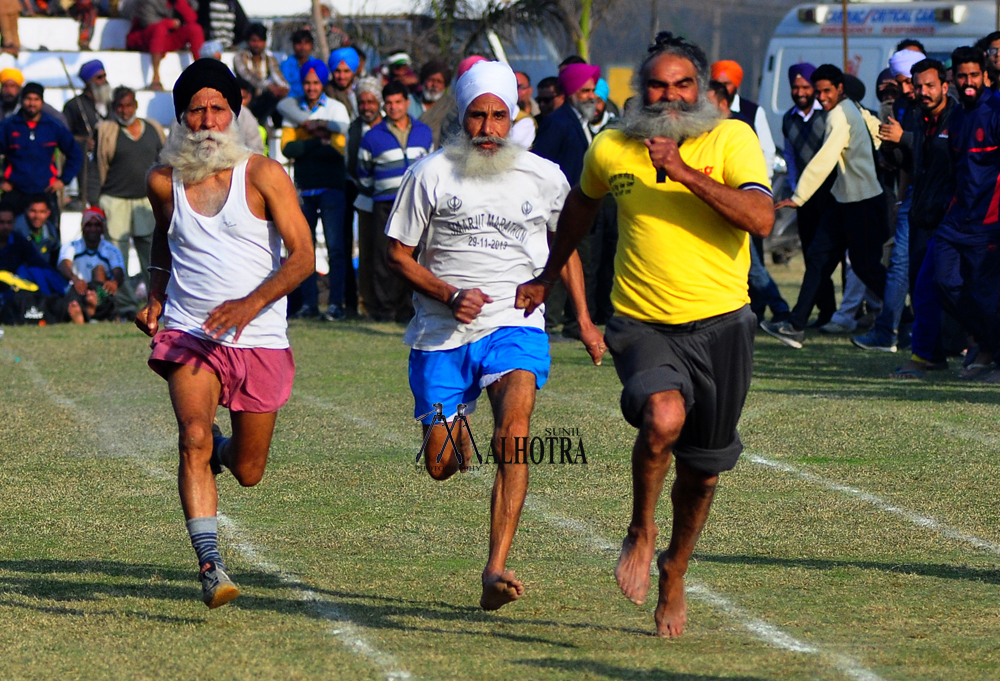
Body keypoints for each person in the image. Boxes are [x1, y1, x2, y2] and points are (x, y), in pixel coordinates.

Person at [516, 31, 773, 637]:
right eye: (656, 85)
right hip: (642, 320)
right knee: (661, 419)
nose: (669, 97)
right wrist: (546, 277)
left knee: (704, 472)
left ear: (705, 90)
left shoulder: (731, 138)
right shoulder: (611, 148)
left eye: (682, 85)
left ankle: (676, 568)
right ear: (637, 91)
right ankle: (640, 526)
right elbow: (580, 208)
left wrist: (683, 171)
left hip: (723, 325)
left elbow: (760, 216)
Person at [386, 60, 604, 611]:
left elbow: (564, 247)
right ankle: (454, 435)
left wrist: (580, 317)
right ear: (462, 118)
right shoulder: (430, 174)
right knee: (441, 464)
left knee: (515, 432)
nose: (488, 129)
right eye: (477, 116)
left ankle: (495, 565)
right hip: (442, 333)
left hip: (515, 324)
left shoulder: (544, 175)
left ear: (514, 117)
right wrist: (447, 293)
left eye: (498, 116)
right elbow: (397, 254)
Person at [134, 58, 314, 608]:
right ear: (182, 119)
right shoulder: (163, 182)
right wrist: (157, 297)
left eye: (218, 108)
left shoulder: (262, 174)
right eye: (196, 110)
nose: (208, 120)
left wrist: (249, 304)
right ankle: (210, 564)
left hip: (259, 337)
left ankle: (222, 449)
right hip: (190, 333)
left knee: (250, 469)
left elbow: (303, 256)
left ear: (233, 114)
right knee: (193, 434)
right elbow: (164, 242)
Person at [765, 64, 887, 348]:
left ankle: (904, 319)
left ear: (840, 89)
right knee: (818, 258)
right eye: (818, 91)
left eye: (826, 91)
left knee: (866, 266)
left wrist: (798, 196)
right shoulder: (850, 109)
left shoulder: (839, 115)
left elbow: (825, 158)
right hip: (844, 199)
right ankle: (795, 325)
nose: (821, 96)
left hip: (861, 201)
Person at [927, 47, 1000, 379]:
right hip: (956, 221)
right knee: (943, 282)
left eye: (974, 75)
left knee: (986, 294)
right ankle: (986, 342)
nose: (968, 82)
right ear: (952, 79)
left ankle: (989, 352)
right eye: (961, 75)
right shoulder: (955, 117)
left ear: (985, 76)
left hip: (989, 223)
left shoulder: (996, 111)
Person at [882, 59, 958, 378]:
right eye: (918, 85)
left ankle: (925, 355)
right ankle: (934, 355)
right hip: (919, 214)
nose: (923, 91)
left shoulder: (958, 119)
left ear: (944, 85)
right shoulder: (917, 115)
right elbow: (911, 164)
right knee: (919, 285)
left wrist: (904, 139)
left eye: (930, 85)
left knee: (936, 287)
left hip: (950, 218)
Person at [533, 62, 601, 338]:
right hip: (560, 209)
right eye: (585, 90)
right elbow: (543, 165)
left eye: (593, 90)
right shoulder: (557, 122)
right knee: (561, 263)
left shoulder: (579, 122)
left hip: (580, 206)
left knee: (584, 264)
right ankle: (551, 323)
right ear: (572, 91)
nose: (591, 96)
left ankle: (575, 324)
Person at [280, 57, 351, 321]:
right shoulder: (294, 111)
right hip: (304, 189)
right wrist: (317, 139)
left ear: (323, 84)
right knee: (303, 248)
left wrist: (310, 136)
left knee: (335, 248)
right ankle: (309, 304)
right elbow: (288, 148)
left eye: (315, 83)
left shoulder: (336, 110)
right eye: (307, 83)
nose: (311, 88)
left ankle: (336, 305)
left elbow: (339, 150)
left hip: (331, 187)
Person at [356, 81, 432, 322]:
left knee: (416, 255)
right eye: (389, 103)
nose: (394, 107)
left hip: (417, 205)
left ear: (407, 103)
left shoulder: (424, 131)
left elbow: (430, 165)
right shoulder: (372, 136)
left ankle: (410, 309)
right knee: (383, 256)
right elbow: (363, 172)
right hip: (385, 204)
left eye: (398, 102)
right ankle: (385, 310)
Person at [780, 62, 838, 330]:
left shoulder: (827, 115)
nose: (801, 92)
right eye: (796, 87)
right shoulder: (788, 119)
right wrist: (795, 187)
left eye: (806, 87)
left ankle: (852, 313)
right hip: (804, 198)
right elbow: (791, 156)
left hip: (832, 195)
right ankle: (826, 311)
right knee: (812, 254)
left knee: (833, 255)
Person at [96, 86, 167, 298]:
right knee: (118, 257)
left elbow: (164, 161)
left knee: (153, 255)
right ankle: (123, 306)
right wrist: (92, 201)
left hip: (147, 201)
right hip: (115, 200)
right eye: (120, 106)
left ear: (135, 105)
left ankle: (156, 302)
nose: (125, 110)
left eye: (128, 105)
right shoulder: (105, 130)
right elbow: (95, 167)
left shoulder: (153, 128)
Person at [0, 82, 83, 221]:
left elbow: (75, 154)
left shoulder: (53, 126)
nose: (32, 104)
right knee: (12, 238)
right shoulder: (9, 125)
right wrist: (1, 181)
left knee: (50, 238)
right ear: (22, 101)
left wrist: (63, 180)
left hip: (45, 192)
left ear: (42, 102)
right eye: (28, 99)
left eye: (36, 99)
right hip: (15, 193)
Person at [348, 77, 381, 317]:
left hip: (387, 199)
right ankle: (366, 304)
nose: (366, 107)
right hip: (364, 199)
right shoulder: (354, 128)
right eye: (362, 102)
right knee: (366, 254)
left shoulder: (387, 127)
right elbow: (350, 164)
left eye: (371, 101)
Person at [58, 207, 126, 321]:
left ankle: (90, 310)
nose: (93, 229)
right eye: (89, 225)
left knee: (99, 270)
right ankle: (87, 311)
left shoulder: (112, 250)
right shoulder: (71, 246)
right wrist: (75, 280)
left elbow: (119, 270)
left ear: (103, 228)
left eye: (97, 225)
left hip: (100, 292)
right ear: (82, 227)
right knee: (72, 296)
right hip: (78, 289)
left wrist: (114, 282)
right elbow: (63, 265)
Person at [712, 60, 776, 178]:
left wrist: (765, 182)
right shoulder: (706, 111)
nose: (722, 90)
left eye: (726, 84)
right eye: (717, 84)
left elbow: (767, 151)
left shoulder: (753, 111)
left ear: (736, 85)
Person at [126, 0, 204, 91]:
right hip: (143, 37)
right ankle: (155, 77)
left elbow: (192, 19)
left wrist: (181, 3)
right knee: (159, 29)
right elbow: (147, 21)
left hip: (166, 38)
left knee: (195, 29)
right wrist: (169, 23)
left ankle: (202, 72)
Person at [64, 60, 110, 208]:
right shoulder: (74, 105)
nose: (104, 80)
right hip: (88, 160)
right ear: (88, 81)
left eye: (104, 76)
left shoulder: (113, 103)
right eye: (99, 77)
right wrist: (83, 140)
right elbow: (65, 135)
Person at [233, 22, 289, 128]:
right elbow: (248, 77)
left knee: (277, 98)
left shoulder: (269, 59)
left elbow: (279, 77)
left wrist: (283, 88)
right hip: (247, 99)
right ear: (248, 41)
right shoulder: (240, 57)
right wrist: (270, 87)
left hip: (263, 100)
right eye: (254, 40)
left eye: (260, 41)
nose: (257, 44)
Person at [14, 196, 60, 267]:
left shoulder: (50, 229)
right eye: (33, 211)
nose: (37, 216)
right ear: (26, 211)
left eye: (42, 212)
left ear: (48, 213)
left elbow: (55, 255)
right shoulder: (16, 229)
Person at [280, 29, 313, 102]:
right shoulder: (286, 65)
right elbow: (284, 87)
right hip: (291, 101)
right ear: (293, 45)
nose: (302, 47)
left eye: (306, 43)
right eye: (299, 43)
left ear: (311, 45)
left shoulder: (316, 64)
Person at [327, 46, 359, 119]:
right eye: (337, 71)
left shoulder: (361, 90)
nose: (342, 76)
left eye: (346, 71)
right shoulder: (326, 94)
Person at [511, 70, 537, 149]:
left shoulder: (528, 120)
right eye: (512, 86)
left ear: (530, 90)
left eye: (520, 87)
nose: (516, 91)